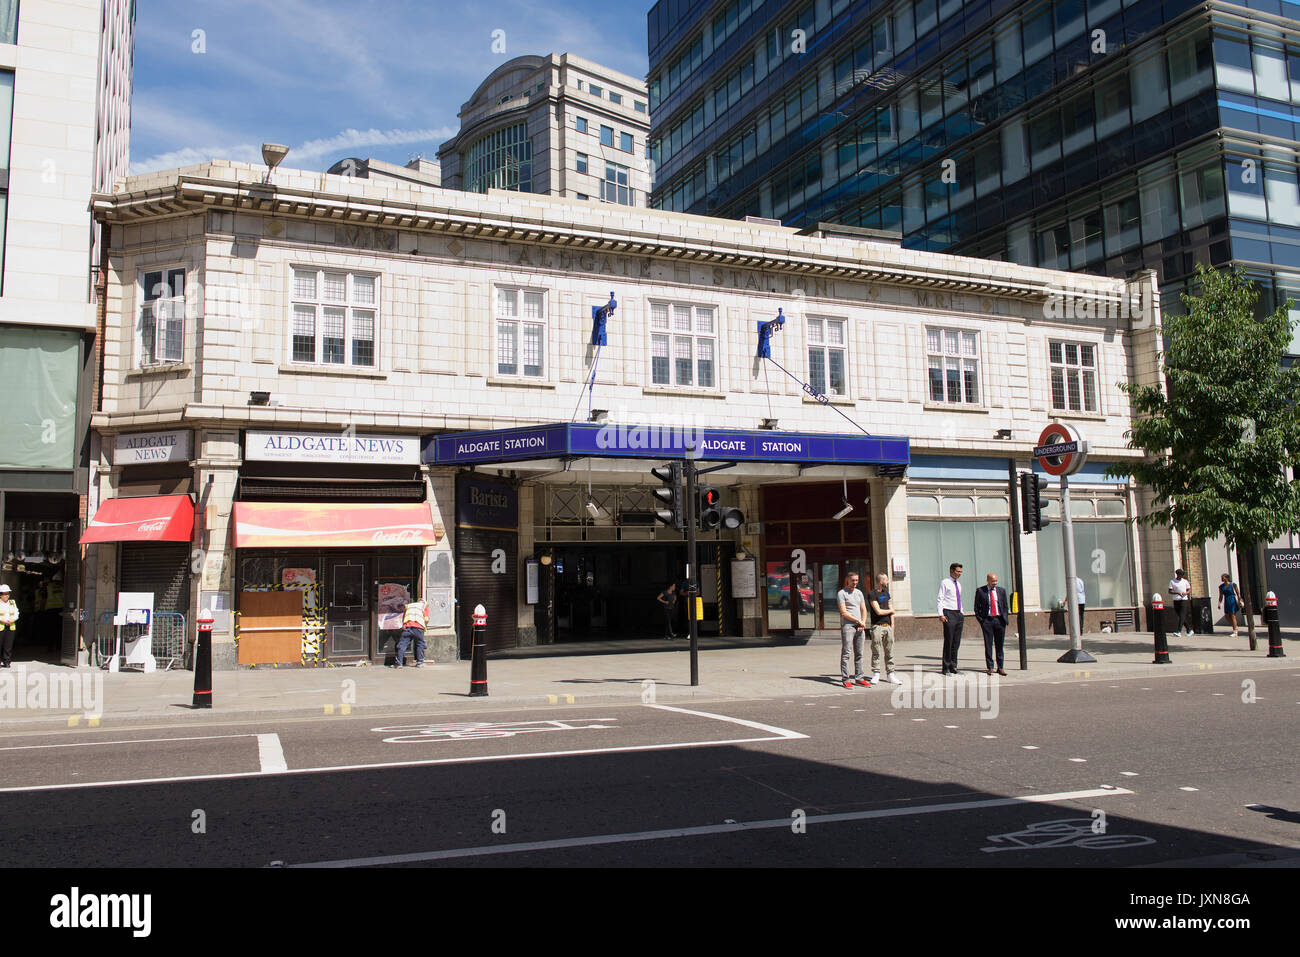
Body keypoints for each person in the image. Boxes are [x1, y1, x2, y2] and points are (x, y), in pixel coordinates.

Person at [836, 572, 870, 688]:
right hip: (848, 626)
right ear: (847, 580)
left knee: (859, 653)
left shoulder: (859, 593)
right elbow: (844, 612)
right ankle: (846, 679)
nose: (855, 583)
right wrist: (857, 620)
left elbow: (863, 609)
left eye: (856, 580)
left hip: (860, 626)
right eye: (853, 580)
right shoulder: (841, 593)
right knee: (846, 652)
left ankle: (859, 678)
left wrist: (863, 622)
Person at [867, 572, 901, 684]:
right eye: (886, 580)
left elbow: (891, 610)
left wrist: (892, 625)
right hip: (877, 626)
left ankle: (891, 674)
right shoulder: (872, 594)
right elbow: (879, 611)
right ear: (881, 581)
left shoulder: (887, 593)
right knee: (876, 651)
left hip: (888, 626)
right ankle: (876, 673)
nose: (888, 581)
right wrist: (891, 610)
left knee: (889, 651)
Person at [975, 573, 1009, 676]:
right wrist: (982, 621)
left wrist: (1005, 619)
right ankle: (990, 667)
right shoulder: (981, 591)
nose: (995, 583)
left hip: (999, 621)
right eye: (993, 581)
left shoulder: (1001, 591)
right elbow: (976, 607)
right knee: (988, 644)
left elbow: (1005, 606)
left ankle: (1000, 667)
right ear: (988, 581)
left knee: (1000, 645)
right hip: (987, 621)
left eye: (996, 581)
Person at [937, 562, 964, 676]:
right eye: (958, 571)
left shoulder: (958, 584)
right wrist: (941, 614)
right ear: (952, 571)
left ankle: (954, 666)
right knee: (949, 641)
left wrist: (962, 612)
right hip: (949, 613)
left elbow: (958, 598)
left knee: (956, 642)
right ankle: (946, 667)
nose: (959, 574)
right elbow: (940, 598)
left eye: (961, 572)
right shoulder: (945, 582)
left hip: (958, 613)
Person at [393, 594, 431, 668]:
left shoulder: (409, 606)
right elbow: (426, 619)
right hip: (418, 627)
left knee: (402, 644)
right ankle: (420, 662)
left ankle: (399, 663)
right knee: (420, 644)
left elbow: (404, 617)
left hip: (408, 627)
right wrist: (424, 624)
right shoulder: (424, 606)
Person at [1169, 569, 1192, 638]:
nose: (1182, 575)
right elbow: (1170, 591)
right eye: (1181, 574)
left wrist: (1186, 593)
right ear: (1178, 574)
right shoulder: (1172, 581)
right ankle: (1189, 630)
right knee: (1180, 616)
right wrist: (1177, 593)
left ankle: (1178, 631)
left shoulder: (1185, 581)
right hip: (1176, 600)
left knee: (1182, 615)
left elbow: (1189, 589)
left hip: (1183, 600)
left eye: (1183, 574)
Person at [1218, 573, 1242, 638]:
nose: (1222, 578)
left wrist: (1240, 600)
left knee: (1233, 615)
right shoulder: (1221, 586)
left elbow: (1237, 593)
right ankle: (1235, 626)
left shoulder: (1233, 585)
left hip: (1232, 600)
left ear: (1226, 578)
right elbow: (1221, 596)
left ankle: (1235, 632)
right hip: (1226, 600)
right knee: (1226, 615)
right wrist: (1219, 603)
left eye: (1223, 577)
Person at [0, 583, 17, 668]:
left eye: (8, 593)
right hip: (1, 626)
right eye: (4, 594)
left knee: (8, 646)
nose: (7, 595)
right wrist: (2, 621)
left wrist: (13, 620)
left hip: (11, 626)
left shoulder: (12, 602)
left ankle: (7, 661)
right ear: (1, 595)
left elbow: (17, 613)